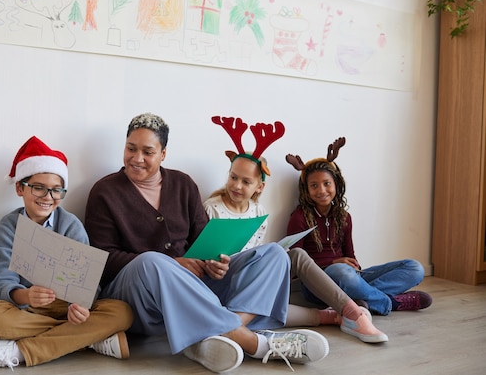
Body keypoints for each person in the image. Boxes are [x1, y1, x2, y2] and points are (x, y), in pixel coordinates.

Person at [84, 113, 329, 374]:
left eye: (148, 151)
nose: (137, 158)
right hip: (138, 294)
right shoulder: (105, 192)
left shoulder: (183, 184)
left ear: (163, 153)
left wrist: (215, 263)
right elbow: (103, 261)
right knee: (152, 261)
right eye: (131, 148)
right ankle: (250, 341)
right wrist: (173, 263)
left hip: (193, 287)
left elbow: (204, 240)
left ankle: (217, 333)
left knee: (274, 255)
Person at [0, 136, 133, 371]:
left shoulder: (71, 225)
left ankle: (17, 352)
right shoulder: (9, 226)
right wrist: (26, 296)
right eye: (38, 187)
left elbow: (89, 284)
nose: (48, 197)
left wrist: (80, 306)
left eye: (56, 191)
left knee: (123, 312)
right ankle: (88, 339)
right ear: (20, 188)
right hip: (27, 309)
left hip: (67, 309)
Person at [204, 116, 387, 344]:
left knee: (291, 258)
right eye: (233, 177)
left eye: (246, 181)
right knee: (287, 282)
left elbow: (255, 251)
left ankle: (351, 313)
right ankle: (349, 312)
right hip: (224, 277)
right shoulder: (212, 208)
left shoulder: (259, 211)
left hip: (249, 277)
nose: (237, 185)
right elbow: (206, 255)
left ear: (259, 186)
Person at [285, 137, 432, 316]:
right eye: (314, 186)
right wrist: (332, 263)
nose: (321, 190)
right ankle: (390, 302)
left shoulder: (344, 217)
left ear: (336, 184)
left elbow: (350, 256)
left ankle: (361, 298)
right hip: (318, 285)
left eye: (326, 184)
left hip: (347, 276)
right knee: (341, 271)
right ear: (306, 190)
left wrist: (354, 270)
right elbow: (295, 265)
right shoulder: (299, 217)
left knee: (415, 268)